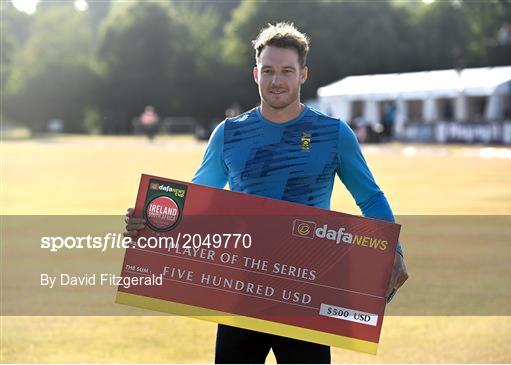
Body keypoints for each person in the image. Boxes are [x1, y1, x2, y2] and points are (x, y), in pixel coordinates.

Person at [124, 22, 408, 364]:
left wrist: (394, 250)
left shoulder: (332, 134)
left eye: (287, 71)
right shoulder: (228, 134)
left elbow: (370, 197)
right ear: (255, 73)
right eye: (269, 71)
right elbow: (197, 199)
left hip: (307, 293)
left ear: (303, 75)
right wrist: (151, 220)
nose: (277, 80)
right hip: (242, 290)